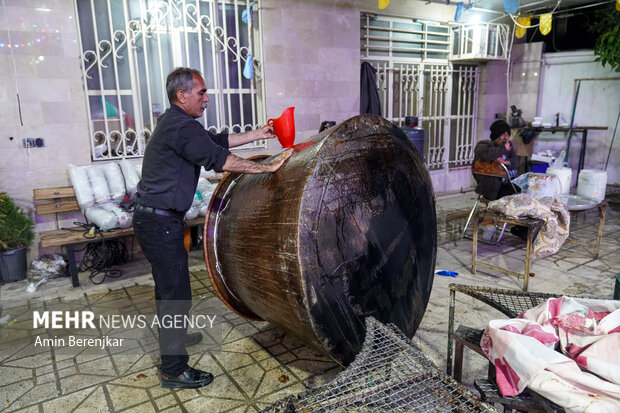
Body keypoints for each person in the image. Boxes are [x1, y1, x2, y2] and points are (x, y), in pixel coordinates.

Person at [132, 67, 292, 389]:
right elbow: (221, 159)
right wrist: (266, 167)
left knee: (168, 291)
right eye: (201, 93)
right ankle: (173, 370)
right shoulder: (180, 126)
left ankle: (173, 341)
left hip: (156, 220)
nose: (207, 99)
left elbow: (217, 141)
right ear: (182, 95)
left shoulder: (179, 123)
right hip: (159, 222)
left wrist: (259, 134)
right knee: (176, 293)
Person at [473, 119, 520, 201]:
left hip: (506, 182)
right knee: (514, 195)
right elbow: (486, 156)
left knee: (520, 190)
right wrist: (503, 149)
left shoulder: (508, 145)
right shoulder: (484, 145)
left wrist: (507, 162)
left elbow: (516, 161)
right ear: (496, 135)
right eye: (503, 134)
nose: (506, 137)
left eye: (508, 134)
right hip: (490, 186)